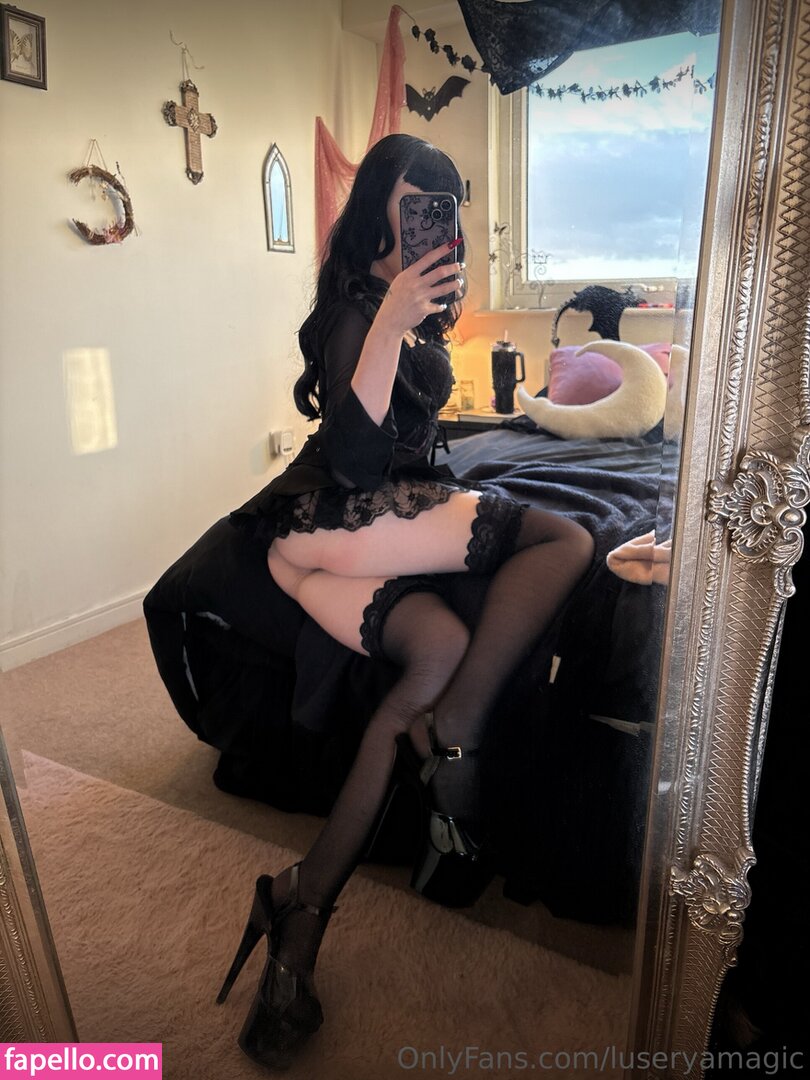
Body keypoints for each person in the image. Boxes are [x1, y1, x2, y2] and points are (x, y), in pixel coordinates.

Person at [216, 133, 595, 1070]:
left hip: (315, 560)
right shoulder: (357, 309)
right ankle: (457, 729)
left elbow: (407, 444)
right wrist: (390, 320)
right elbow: (353, 462)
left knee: (435, 651)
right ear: (382, 202)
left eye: (446, 200)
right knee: (565, 539)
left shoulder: (408, 305)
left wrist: (413, 318)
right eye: (417, 195)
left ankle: (298, 908)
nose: (435, 211)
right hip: (329, 518)